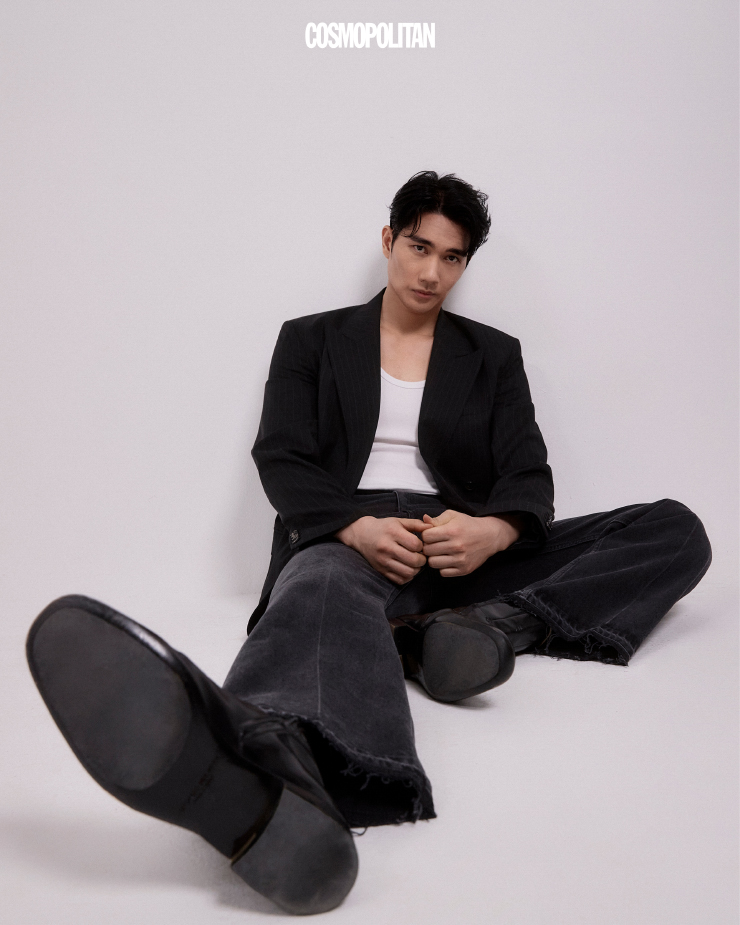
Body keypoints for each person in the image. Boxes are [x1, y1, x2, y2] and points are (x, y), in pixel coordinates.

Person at [26, 172, 712, 915]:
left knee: (673, 528)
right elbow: (282, 455)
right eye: (419, 247)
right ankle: (272, 759)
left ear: (465, 264)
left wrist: (493, 530)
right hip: (350, 536)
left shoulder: (493, 355)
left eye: (451, 257)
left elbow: (528, 474)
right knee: (319, 582)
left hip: (461, 549)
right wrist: (352, 525)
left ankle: (487, 626)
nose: (431, 272)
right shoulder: (312, 339)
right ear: (388, 240)